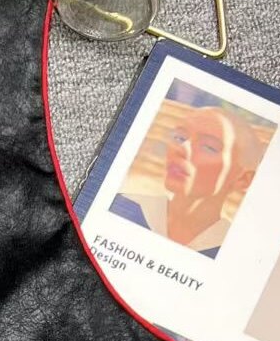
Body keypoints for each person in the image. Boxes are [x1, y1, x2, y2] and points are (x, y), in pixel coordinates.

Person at [110, 101, 265, 257]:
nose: (182, 148)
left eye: (209, 147)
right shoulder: (121, 205)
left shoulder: (237, 254)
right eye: (179, 138)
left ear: (243, 179)